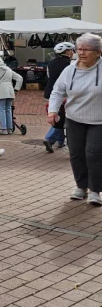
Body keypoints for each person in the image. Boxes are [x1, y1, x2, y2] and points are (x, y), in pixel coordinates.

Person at [48, 33, 102, 206]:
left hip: (99, 121)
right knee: (76, 154)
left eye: (87, 49)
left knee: (93, 154)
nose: (82, 53)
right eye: (79, 49)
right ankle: (81, 187)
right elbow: (57, 91)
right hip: (74, 119)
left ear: (98, 52)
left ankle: (95, 190)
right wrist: (52, 111)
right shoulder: (69, 70)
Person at [43, 42, 75, 152]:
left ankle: (61, 141)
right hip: (64, 93)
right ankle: (50, 138)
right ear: (67, 52)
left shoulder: (50, 63)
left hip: (50, 92)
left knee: (59, 116)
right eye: (71, 50)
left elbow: (48, 76)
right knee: (64, 117)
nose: (72, 53)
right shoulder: (71, 64)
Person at [0, 55, 23, 135]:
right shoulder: (8, 68)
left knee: (2, 109)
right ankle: (9, 129)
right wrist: (16, 89)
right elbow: (19, 78)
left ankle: (4, 129)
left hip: (1, 91)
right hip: (10, 91)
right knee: (8, 109)